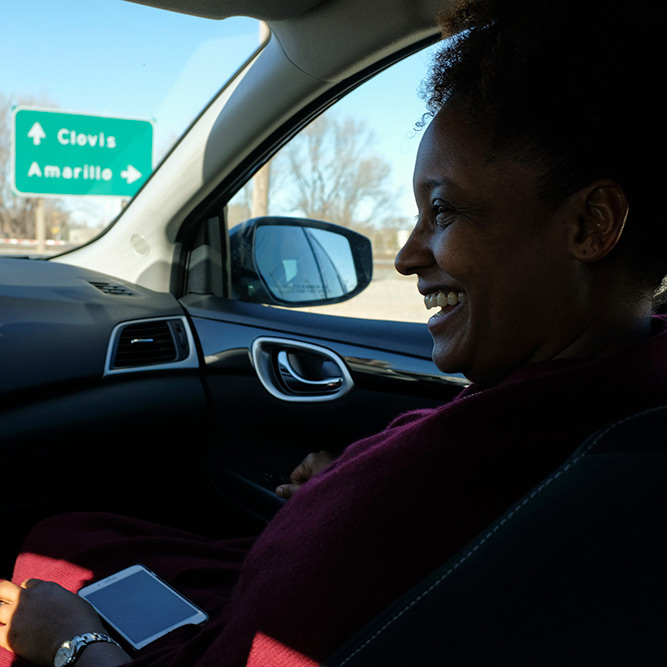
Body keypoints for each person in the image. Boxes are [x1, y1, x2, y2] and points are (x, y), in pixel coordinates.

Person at [2, 0, 667, 664]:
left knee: (51, 556)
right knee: (76, 535)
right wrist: (343, 479)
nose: (405, 255)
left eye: (442, 209)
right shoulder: (616, 401)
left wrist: (71, 641)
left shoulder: (445, 481)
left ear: (591, 224)